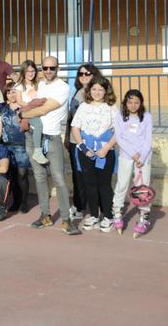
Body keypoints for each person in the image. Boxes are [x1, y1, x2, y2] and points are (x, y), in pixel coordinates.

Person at [20, 56, 81, 236]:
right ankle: (45, 215)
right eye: (45, 68)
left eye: (52, 68)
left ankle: (66, 220)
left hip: (51, 138)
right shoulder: (40, 85)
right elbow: (30, 102)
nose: (48, 71)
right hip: (33, 136)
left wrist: (22, 114)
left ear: (58, 69)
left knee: (59, 179)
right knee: (39, 177)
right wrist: (25, 111)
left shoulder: (63, 87)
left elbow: (44, 109)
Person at [71, 76, 119, 232]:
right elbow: (75, 128)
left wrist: (107, 148)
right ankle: (93, 215)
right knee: (90, 184)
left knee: (104, 185)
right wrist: (83, 147)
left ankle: (108, 216)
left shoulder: (111, 107)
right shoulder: (83, 106)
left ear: (106, 91)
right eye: (94, 89)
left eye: (100, 89)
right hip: (87, 152)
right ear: (89, 90)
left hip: (105, 151)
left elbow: (119, 131)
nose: (97, 92)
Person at [65, 63, 104, 221]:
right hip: (75, 141)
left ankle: (100, 208)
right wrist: (67, 138)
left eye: (87, 74)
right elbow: (71, 119)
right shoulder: (78, 92)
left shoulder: (98, 93)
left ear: (94, 75)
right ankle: (79, 206)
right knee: (78, 176)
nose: (84, 76)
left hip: (91, 141)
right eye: (81, 74)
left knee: (94, 176)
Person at [112, 89, 154, 237]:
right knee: (122, 184)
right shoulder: (119, 116)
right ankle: (117, 213)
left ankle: (144, 217)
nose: (133, 105)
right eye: (130, 102)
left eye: (137, 102)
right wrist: (133, 154)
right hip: (126, 156)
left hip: (143, 158)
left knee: (142, 189)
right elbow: (119, 138)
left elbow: (148, 139)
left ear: (141, 103)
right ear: (125, 102)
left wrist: (141, 157)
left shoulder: (147, 117)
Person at [1, 84, 31, 213]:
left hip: (22, 146)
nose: (11, 95)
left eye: (14, 92)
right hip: (7, 146)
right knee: (12, 175)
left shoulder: (24, 108)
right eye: (8, 92)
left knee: (22, 174)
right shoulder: (2, 109)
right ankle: (16, 201)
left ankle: (24, 201)